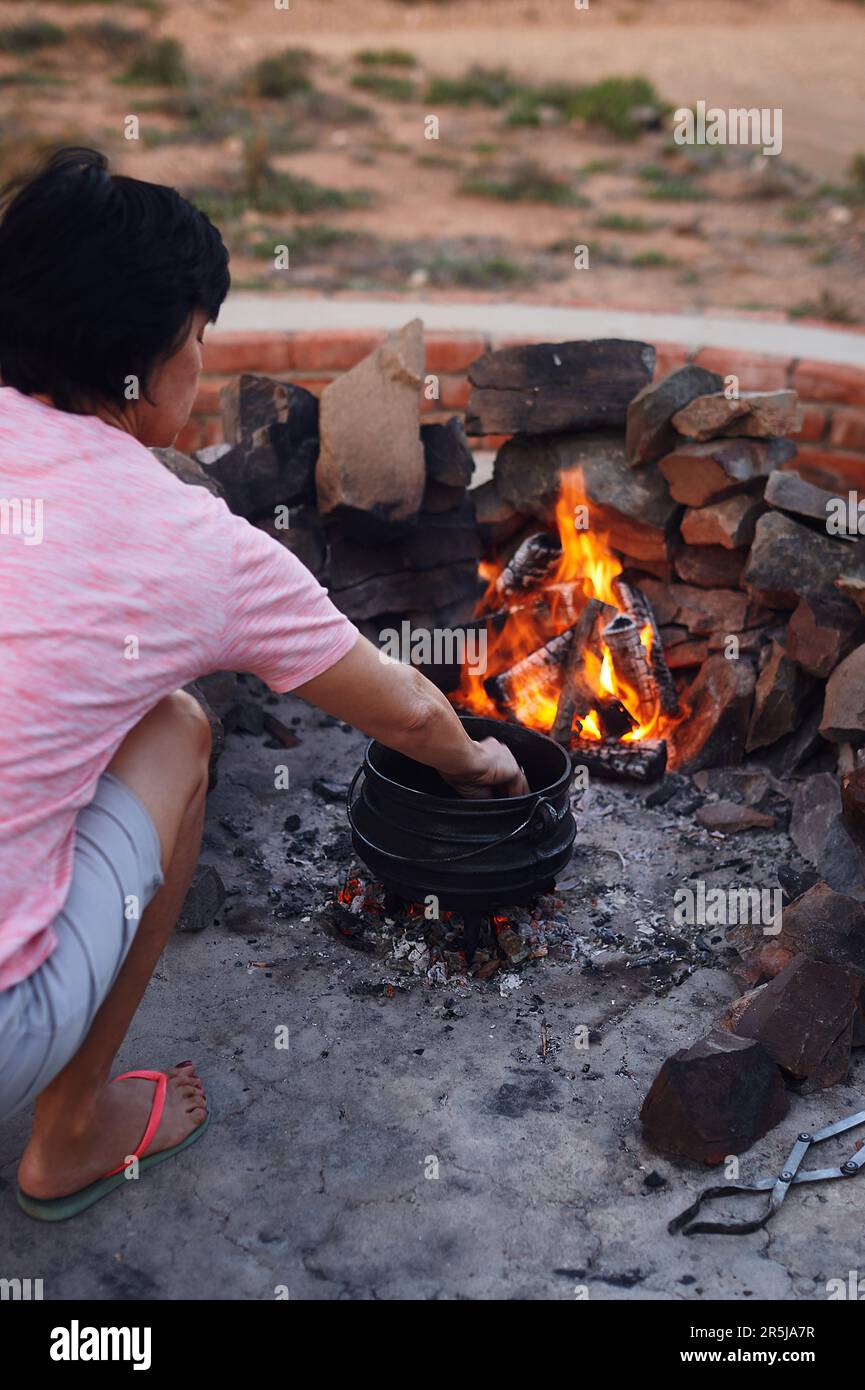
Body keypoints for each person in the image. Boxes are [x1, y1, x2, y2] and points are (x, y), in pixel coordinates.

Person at [0, 147, 528, 1220]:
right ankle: (70, 1132)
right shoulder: (187, 541)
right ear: (151, 356)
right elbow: (408, 708)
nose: (202, 366)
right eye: (199, 340)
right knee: (177, 728)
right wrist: (482, 763)